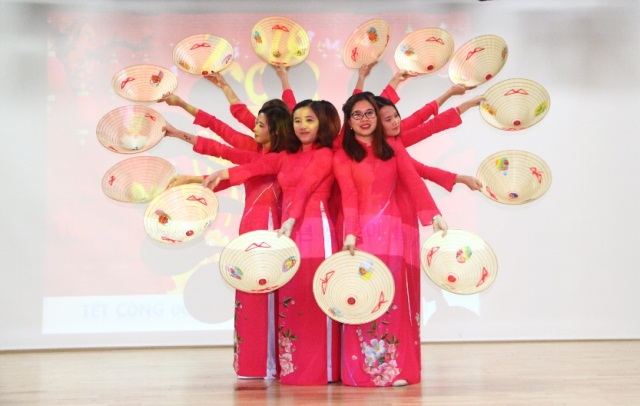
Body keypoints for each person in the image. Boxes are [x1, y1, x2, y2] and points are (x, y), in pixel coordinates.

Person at [203, 99, 342, 386]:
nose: (302, 126)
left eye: (309, 120)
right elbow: (258, 167)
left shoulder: (325, 154)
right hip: (288, 234)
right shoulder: (287, 156)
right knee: (291, 299)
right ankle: (293, 368)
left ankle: (325, 369)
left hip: (315, 231)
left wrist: (290, 219)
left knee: (313, 297)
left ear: (323, 123)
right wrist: (223, 174)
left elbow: (305, 188)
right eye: (297, 120)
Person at [164, 104, 292, 380]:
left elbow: (236, 165)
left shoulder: (283, 158)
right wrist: (177, 134)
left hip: (272, 230)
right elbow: (221, 146)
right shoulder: (255, 153)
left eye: (261, 125)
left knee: (272, 295)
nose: (255, 128)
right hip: (250, 227)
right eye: (256, 123)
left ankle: (273, 363)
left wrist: (196, 176)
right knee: (250, 294)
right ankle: (255, 363)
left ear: (276, 130)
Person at [333, 92, 448, 387]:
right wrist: (350, 233)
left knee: (392, 299)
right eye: (357, 115)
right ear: (349, 121)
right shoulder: (344, 155)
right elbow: (349, 196)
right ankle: (362, 372)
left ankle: (395, 369)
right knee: (363, 298)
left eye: (369, 113)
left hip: (393, 233)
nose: (364, 119)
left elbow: (413, 181)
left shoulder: (393, 148)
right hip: (361, 237)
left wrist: (432, 214)